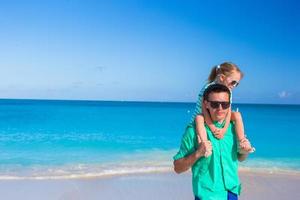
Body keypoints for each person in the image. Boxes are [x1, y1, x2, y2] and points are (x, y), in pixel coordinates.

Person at [173, 84, 249, 200]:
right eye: (215, 104)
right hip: (207, 195)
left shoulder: (234, 128)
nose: (220, 108)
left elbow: (240, 158)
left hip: (232, 192)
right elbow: (178, 168)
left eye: (225, 104)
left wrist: (245, 151)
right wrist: (198, 153)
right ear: (206, 104)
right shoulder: (193, 131)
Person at [192, 62, 254, 156]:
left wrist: (224, 130)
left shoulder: (228, 91)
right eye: (233, 82)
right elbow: (204, 111)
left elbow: (228, 110)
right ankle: (205, 146)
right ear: (222, 77)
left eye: (237, 84)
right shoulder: (208, 88)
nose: (234, 85)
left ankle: (242, 143)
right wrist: (213, 129)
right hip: (204, 116)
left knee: (237, 115)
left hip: (217, 115)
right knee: (199, 118)